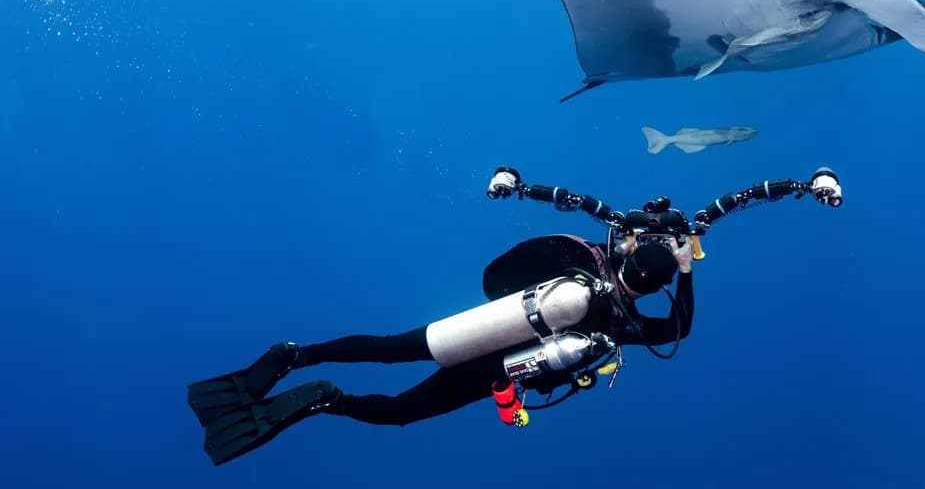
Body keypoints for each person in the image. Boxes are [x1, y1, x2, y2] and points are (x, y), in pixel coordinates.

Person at [187, 166, 840, 466]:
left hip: (492, 327)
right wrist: (803, 189)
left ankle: (296, 355)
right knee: (402, 410)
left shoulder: (599, 253)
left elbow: (569, 199)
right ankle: (323, 401)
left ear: (628, 248)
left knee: (389, 347)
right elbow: (731, 217)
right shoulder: (626, 324)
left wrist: (514, 183)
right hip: (498, 370)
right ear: (654, 281)